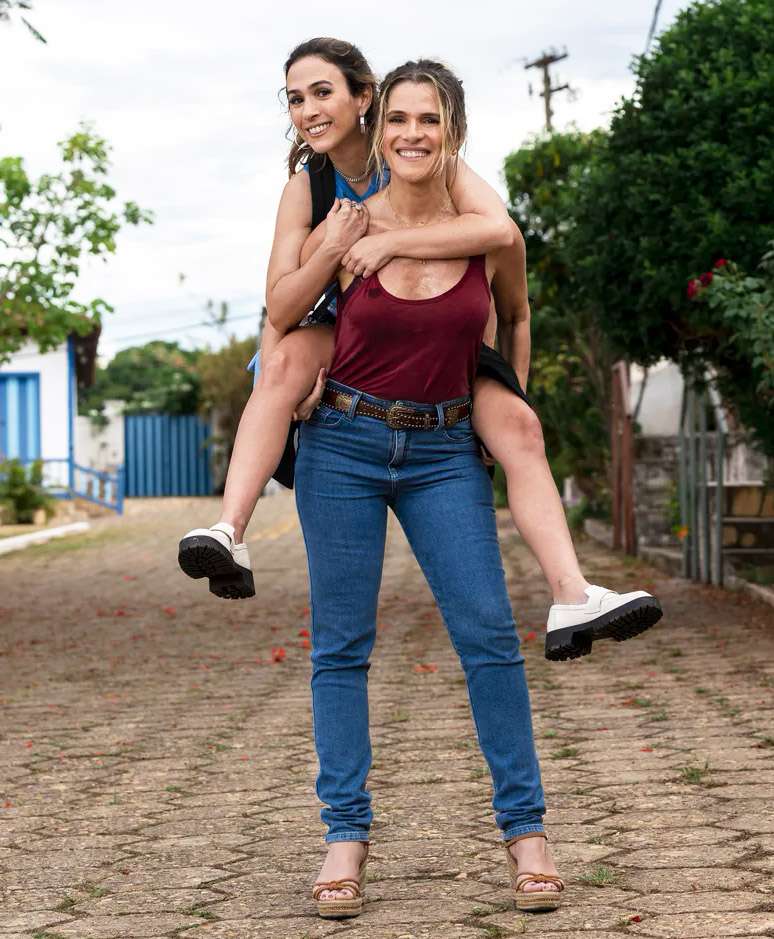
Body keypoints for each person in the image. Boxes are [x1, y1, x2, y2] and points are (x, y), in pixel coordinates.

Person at [178, 37, 662, 662]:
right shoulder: (308, 186)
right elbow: (280, 306)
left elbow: (497, 231)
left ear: (364, 98)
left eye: (322, 92)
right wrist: (285, 368)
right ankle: (230, 531)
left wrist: (389, 243)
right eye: (295, 99)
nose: (308, 110)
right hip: (346, 331)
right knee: (282, 365)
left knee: (520, 425)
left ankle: (573, 594)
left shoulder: (424, 155)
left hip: (442, 337)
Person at [295, 58, 567, 920]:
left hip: (446, 447)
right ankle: (345, 835)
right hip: (342, 441)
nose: (413, 133)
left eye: (431, 119)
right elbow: (286, 312)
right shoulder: (344, 225)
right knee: (341, 646)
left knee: (488, 634)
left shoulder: (482, 231)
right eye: (400, 118)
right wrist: (290, 380)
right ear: (377, 129)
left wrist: (503, 406)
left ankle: (527, 832)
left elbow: (516, 316)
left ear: (454, 133)